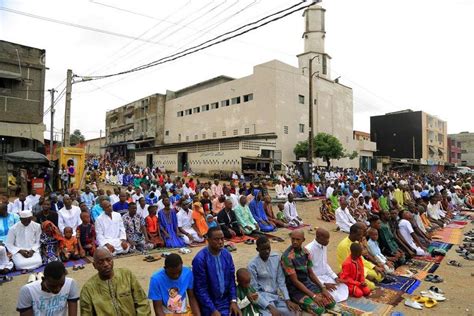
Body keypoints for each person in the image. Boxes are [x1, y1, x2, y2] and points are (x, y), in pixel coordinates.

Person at [80, 248, 151, 315]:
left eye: (108, 260)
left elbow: (142, 303)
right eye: (100, 262)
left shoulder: (127, 275)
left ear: (112, 260)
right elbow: (86, 313)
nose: (106, 264)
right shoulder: (88, 289)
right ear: (94, 265)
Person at [281, 230, 336, 315]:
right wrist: (313, 296)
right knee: (318, 309)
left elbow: (311, 273)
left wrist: (323, 288)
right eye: (293, 239)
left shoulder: (306, 252)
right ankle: (298, 301)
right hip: (295, 290)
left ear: (303, 240)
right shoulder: (287, 257)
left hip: (307, 285)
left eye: (298, 239)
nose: (295, 242)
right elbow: (295, 281)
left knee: (330, 303)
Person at [192, 227, 241, 316]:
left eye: (222, 239)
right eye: (216, 239)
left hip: (226, 302)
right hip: (209, 305)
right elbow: (200, 289)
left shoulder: (226, 255)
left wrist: (233, 301)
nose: (220, 242)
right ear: (208, 240)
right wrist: (213, 310)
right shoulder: (200, 259)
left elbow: (231, 280)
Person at [248, 236, 301, 315]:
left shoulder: (276, 258)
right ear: (257, 250)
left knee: (294, 312)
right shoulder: (252, 265)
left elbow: (281, 281)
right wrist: (269, 307)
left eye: (268, 248)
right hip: (263, 298)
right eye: (263, 249)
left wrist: (287, 299)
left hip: (275, 297)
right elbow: (254, 291)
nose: (267, 251)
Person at [305, 228, 349, 303]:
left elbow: (325, 264)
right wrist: (323, 284)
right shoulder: (309, 249)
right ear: (318, 237)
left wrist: (335, 277)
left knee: (342, 287)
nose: (328, 241)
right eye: (326, 239)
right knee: (330, 296)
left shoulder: (323, 245)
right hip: (315, 280)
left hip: (325, 276)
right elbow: (309, 273)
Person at [336, 223, 384, 290]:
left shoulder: (355, 242)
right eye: (359, 235)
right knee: (371, 286)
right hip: (349, 272)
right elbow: (350, 265)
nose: (361, 236)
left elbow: (361, 260)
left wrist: (374, 267)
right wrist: (365, 275)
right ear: (352, 233)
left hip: (359, 268)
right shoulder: (344, 246)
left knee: (379, 276)